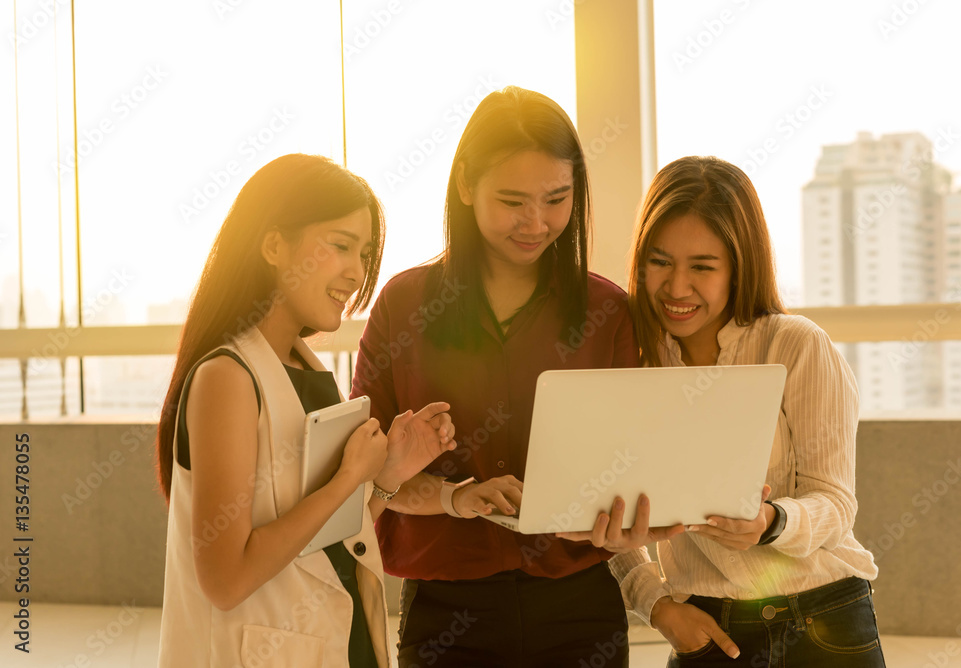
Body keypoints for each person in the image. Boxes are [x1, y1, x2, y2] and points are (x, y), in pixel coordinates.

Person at [349, 86, 640, 667]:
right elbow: (364, 477)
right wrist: (455, 498)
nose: (536, 222)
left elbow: (632, 464)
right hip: (447, 612)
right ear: (464, 185)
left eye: (557, 199)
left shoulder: (609, 312)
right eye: (513, 201)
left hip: (579, 607)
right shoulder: (404, 307)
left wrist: (620, 519)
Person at [559, 156, 885, 667]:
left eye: (703, 267)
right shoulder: (635, 363)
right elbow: (610, 512)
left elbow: (836, 502)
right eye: (660, 261)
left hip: (823, 623)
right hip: (705, 630)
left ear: (740, 266)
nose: (677, 287)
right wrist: (658, 604)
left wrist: (772, 522)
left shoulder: (795, 346)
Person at [155, 154, 456, 668]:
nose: (356, 271)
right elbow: (226, 580)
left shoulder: (304, 369)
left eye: (363, 253)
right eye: (340, 245)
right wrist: (347, 480)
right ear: (274, 245)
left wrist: (383, 479)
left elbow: (321, 544)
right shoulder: (228, 377)